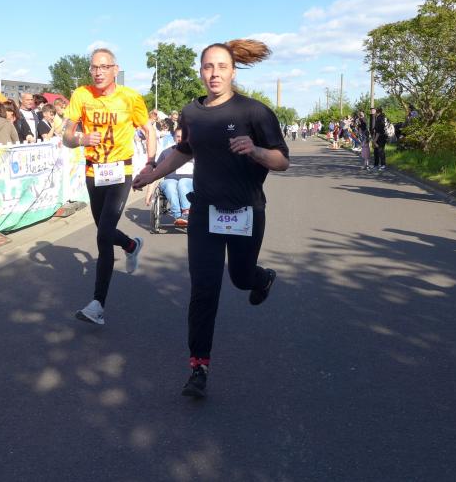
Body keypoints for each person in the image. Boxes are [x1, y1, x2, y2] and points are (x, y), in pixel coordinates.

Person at [133, 39, 289, 399]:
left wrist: (256, 150)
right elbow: (183, 151)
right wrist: (153, 173)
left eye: (221, 66)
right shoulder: (192, 112)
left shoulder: (255, 112)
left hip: (246, 210)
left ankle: (261, 278)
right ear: (201, 72)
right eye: (208, 67)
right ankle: (198, 367)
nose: (214, 73)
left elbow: (282, 160)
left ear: (233, 71)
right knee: (204, 289)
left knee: (240, 277)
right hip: (205, 212)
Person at [62, 47, 157, 326]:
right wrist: (81, 139)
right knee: (104, 231)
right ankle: (131, 244)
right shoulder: (81, 95)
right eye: (94, 67)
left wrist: (150, 164)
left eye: (104, 67)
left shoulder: (130, 97)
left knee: (103, 234)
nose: (99, 72)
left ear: (116, 69)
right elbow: (66, 136)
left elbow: (149, 130)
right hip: (93, 171)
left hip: (120, 171)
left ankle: (97, 305)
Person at [144, 127, 195, 227]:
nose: (181, 139)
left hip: (189, 182)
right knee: (170, 184)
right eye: (178, 136)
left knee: (182, 182)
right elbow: (155, 173)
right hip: (170, 181)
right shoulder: (166, 153)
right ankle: (178, 215)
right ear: (174, 137)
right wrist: (149, 193)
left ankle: (186, 212)